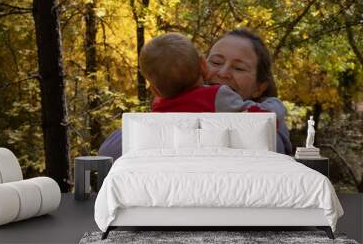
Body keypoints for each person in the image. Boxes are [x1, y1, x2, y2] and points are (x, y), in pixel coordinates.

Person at [99, 29, 292, 159]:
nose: (223, 73)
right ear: (202, 66)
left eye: (239, 68)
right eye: (215, 62)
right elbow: (110, 151)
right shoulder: (164, 107)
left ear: (260, 87)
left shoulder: (273, 129)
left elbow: (271, 146)